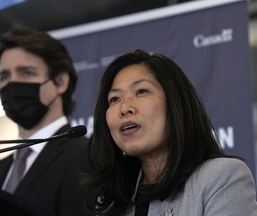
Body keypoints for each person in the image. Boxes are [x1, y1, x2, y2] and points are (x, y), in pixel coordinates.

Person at [83, 49, 257, 216]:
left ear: (176, 104)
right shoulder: (112, 201)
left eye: (141, 91)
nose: (125, 108)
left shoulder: (222, 178)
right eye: (114, 99)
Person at [0, 26, 91, 215]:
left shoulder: (87, 157)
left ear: (61, 82)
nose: (12, 83)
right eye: (4, 76)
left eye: (26, 73)